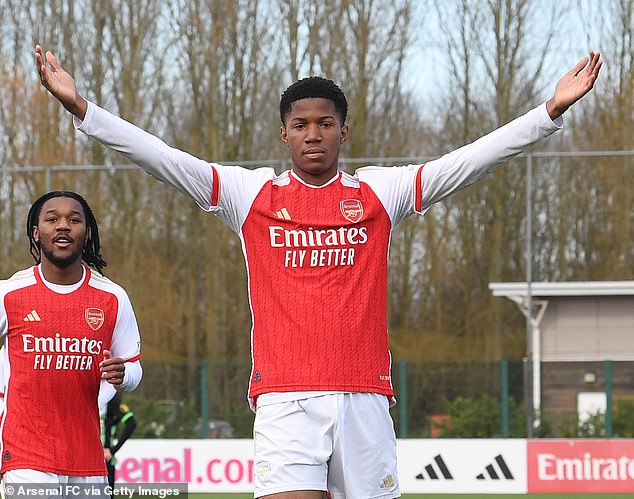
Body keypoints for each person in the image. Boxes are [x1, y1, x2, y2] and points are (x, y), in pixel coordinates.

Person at [35, 45, 602, 498]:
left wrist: (548, 113)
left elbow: (468, 162)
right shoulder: (250, 193)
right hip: (285, 400)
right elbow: (162, 158)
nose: (313, 134)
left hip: (365, 399)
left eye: (325, 124)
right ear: (285, 133)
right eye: (301, 124)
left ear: (343, 132)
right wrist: (84, 110)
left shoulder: (381, 192)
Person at [0, 191, 142, 493]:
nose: (62, 225)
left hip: (87, 458)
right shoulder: (9, 294)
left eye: (74, 219)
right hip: (26, 455)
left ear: (87, 233)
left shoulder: (113, 298)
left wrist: (123, 374)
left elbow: (133, 367)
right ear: (36, 233)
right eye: (52, 219)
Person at [101, 391, 137, 493]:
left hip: (104, 460)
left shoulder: (112, 395)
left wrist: (112, 451)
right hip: (82, 457)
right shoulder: (83, 390)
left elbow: (131, 423)